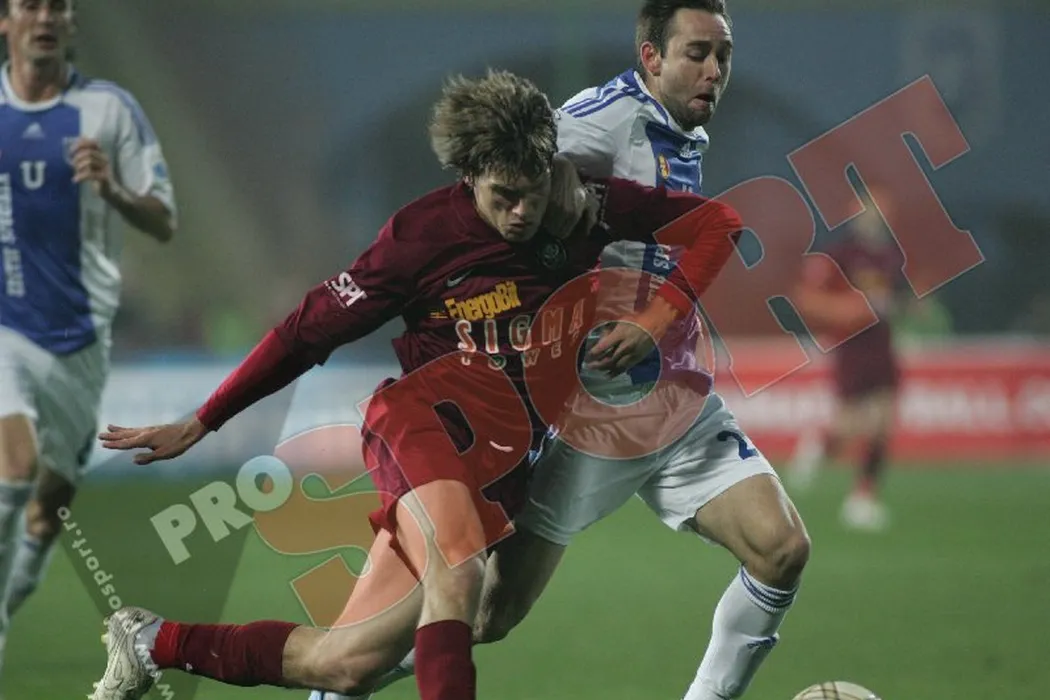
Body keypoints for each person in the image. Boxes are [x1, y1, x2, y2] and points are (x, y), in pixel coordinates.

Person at [89, 69, 744, 700]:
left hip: (502, 464)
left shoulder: (587, 208)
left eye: (533, 192)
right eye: (503, 196)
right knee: (458, 570)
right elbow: (304, 333)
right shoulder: (420, 237)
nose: (521, 213)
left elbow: (719, 224)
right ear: (469, 176)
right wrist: (204, 419)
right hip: (427, 425)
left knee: (345, 664)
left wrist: (659, 317)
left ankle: (150, 642)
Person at [326, 3, 811, 700]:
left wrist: (656, 318)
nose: (714, 71)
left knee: (781, 549)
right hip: (590, 416)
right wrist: (552, 181)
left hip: (675, 397)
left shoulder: (680, 131)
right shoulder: (597, 122)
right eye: (697, 53)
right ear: (651, 58)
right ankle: (339, 679)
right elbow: (508, 174)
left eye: (723, 56)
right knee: (490, 614)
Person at [0, 0, 176, 680]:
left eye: (58, 5)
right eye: (30, 4)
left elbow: (163, 220)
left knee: (47, 513)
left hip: (79, 340)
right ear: (6, 20)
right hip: (5, 327)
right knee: (14, 468)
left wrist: (113, 188)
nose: (45, 16)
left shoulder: (109, 110)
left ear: (72, 22)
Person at [788, 186, 905, 531]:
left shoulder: (892, 257)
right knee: (849, 426)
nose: (873, 219)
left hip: (882, 344)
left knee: (882, 423)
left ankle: (863, 498)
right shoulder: (839, 255)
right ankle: (820, 446)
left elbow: (898, 300)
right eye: (867, 212)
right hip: (852, 346)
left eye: (878, 213)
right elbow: (807, 298)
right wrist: (849, 311)